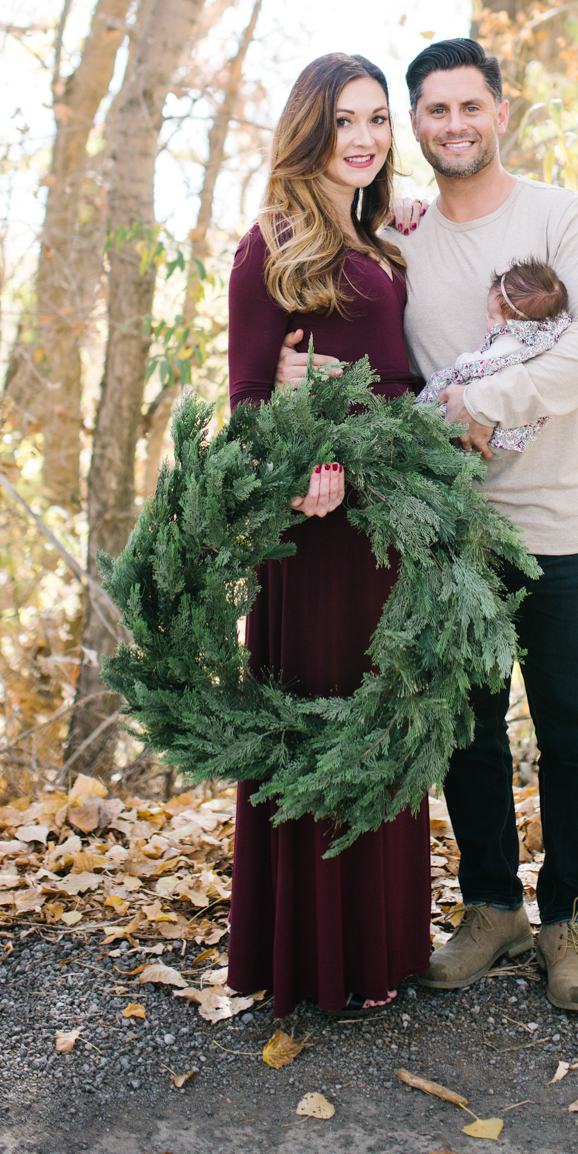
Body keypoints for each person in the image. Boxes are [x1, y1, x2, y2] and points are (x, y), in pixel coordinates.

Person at [276, 36, 578, 1014]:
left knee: (571, 734)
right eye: (432, 111)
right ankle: (491, 907)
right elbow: (342, 310)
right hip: (452, 535)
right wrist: (290, 383)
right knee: (467, 732)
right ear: (417, 126)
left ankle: (570, 925)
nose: (453, 126)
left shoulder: (564, 217)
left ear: (500, 111)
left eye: (469, 107)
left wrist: (493, 402)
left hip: (563, 526)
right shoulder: (401, 238)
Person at [224, 52, 432, 1018]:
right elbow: (251, 400)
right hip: (315, 538)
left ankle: (380, 949)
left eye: (378, 120)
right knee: (320, 728)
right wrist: (307, 456)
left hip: (387, 529)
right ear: (311, 128)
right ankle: (309, 961)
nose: (365, 138)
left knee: (382, 726)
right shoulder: (271, 244)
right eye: (346, 120)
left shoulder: (383, 243)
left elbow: (391, 371)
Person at [416, 259, 572, 453]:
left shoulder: (511, 341)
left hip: (486, 414)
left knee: (436, 397)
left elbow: (475, 367)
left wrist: (469, 357)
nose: (486, 318)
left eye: (491, 316)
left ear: (515, 322)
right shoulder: (544, 332)